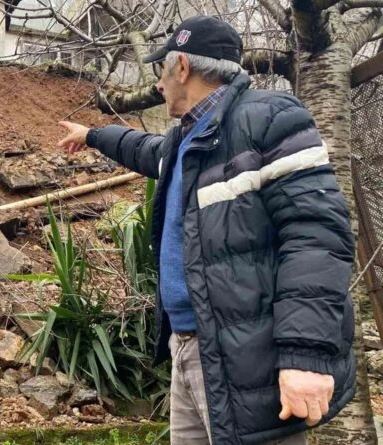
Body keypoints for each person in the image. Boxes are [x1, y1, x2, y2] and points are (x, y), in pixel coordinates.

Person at [57, 15, 355, 445]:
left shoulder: (268, 119)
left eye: (162, 70)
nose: (159, 84)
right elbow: (144, 149)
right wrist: (92, 136)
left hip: (248, 356)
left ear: (182, 68)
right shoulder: (188, 140)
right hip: (189, 349)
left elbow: (318, 237)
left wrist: (305, 357)